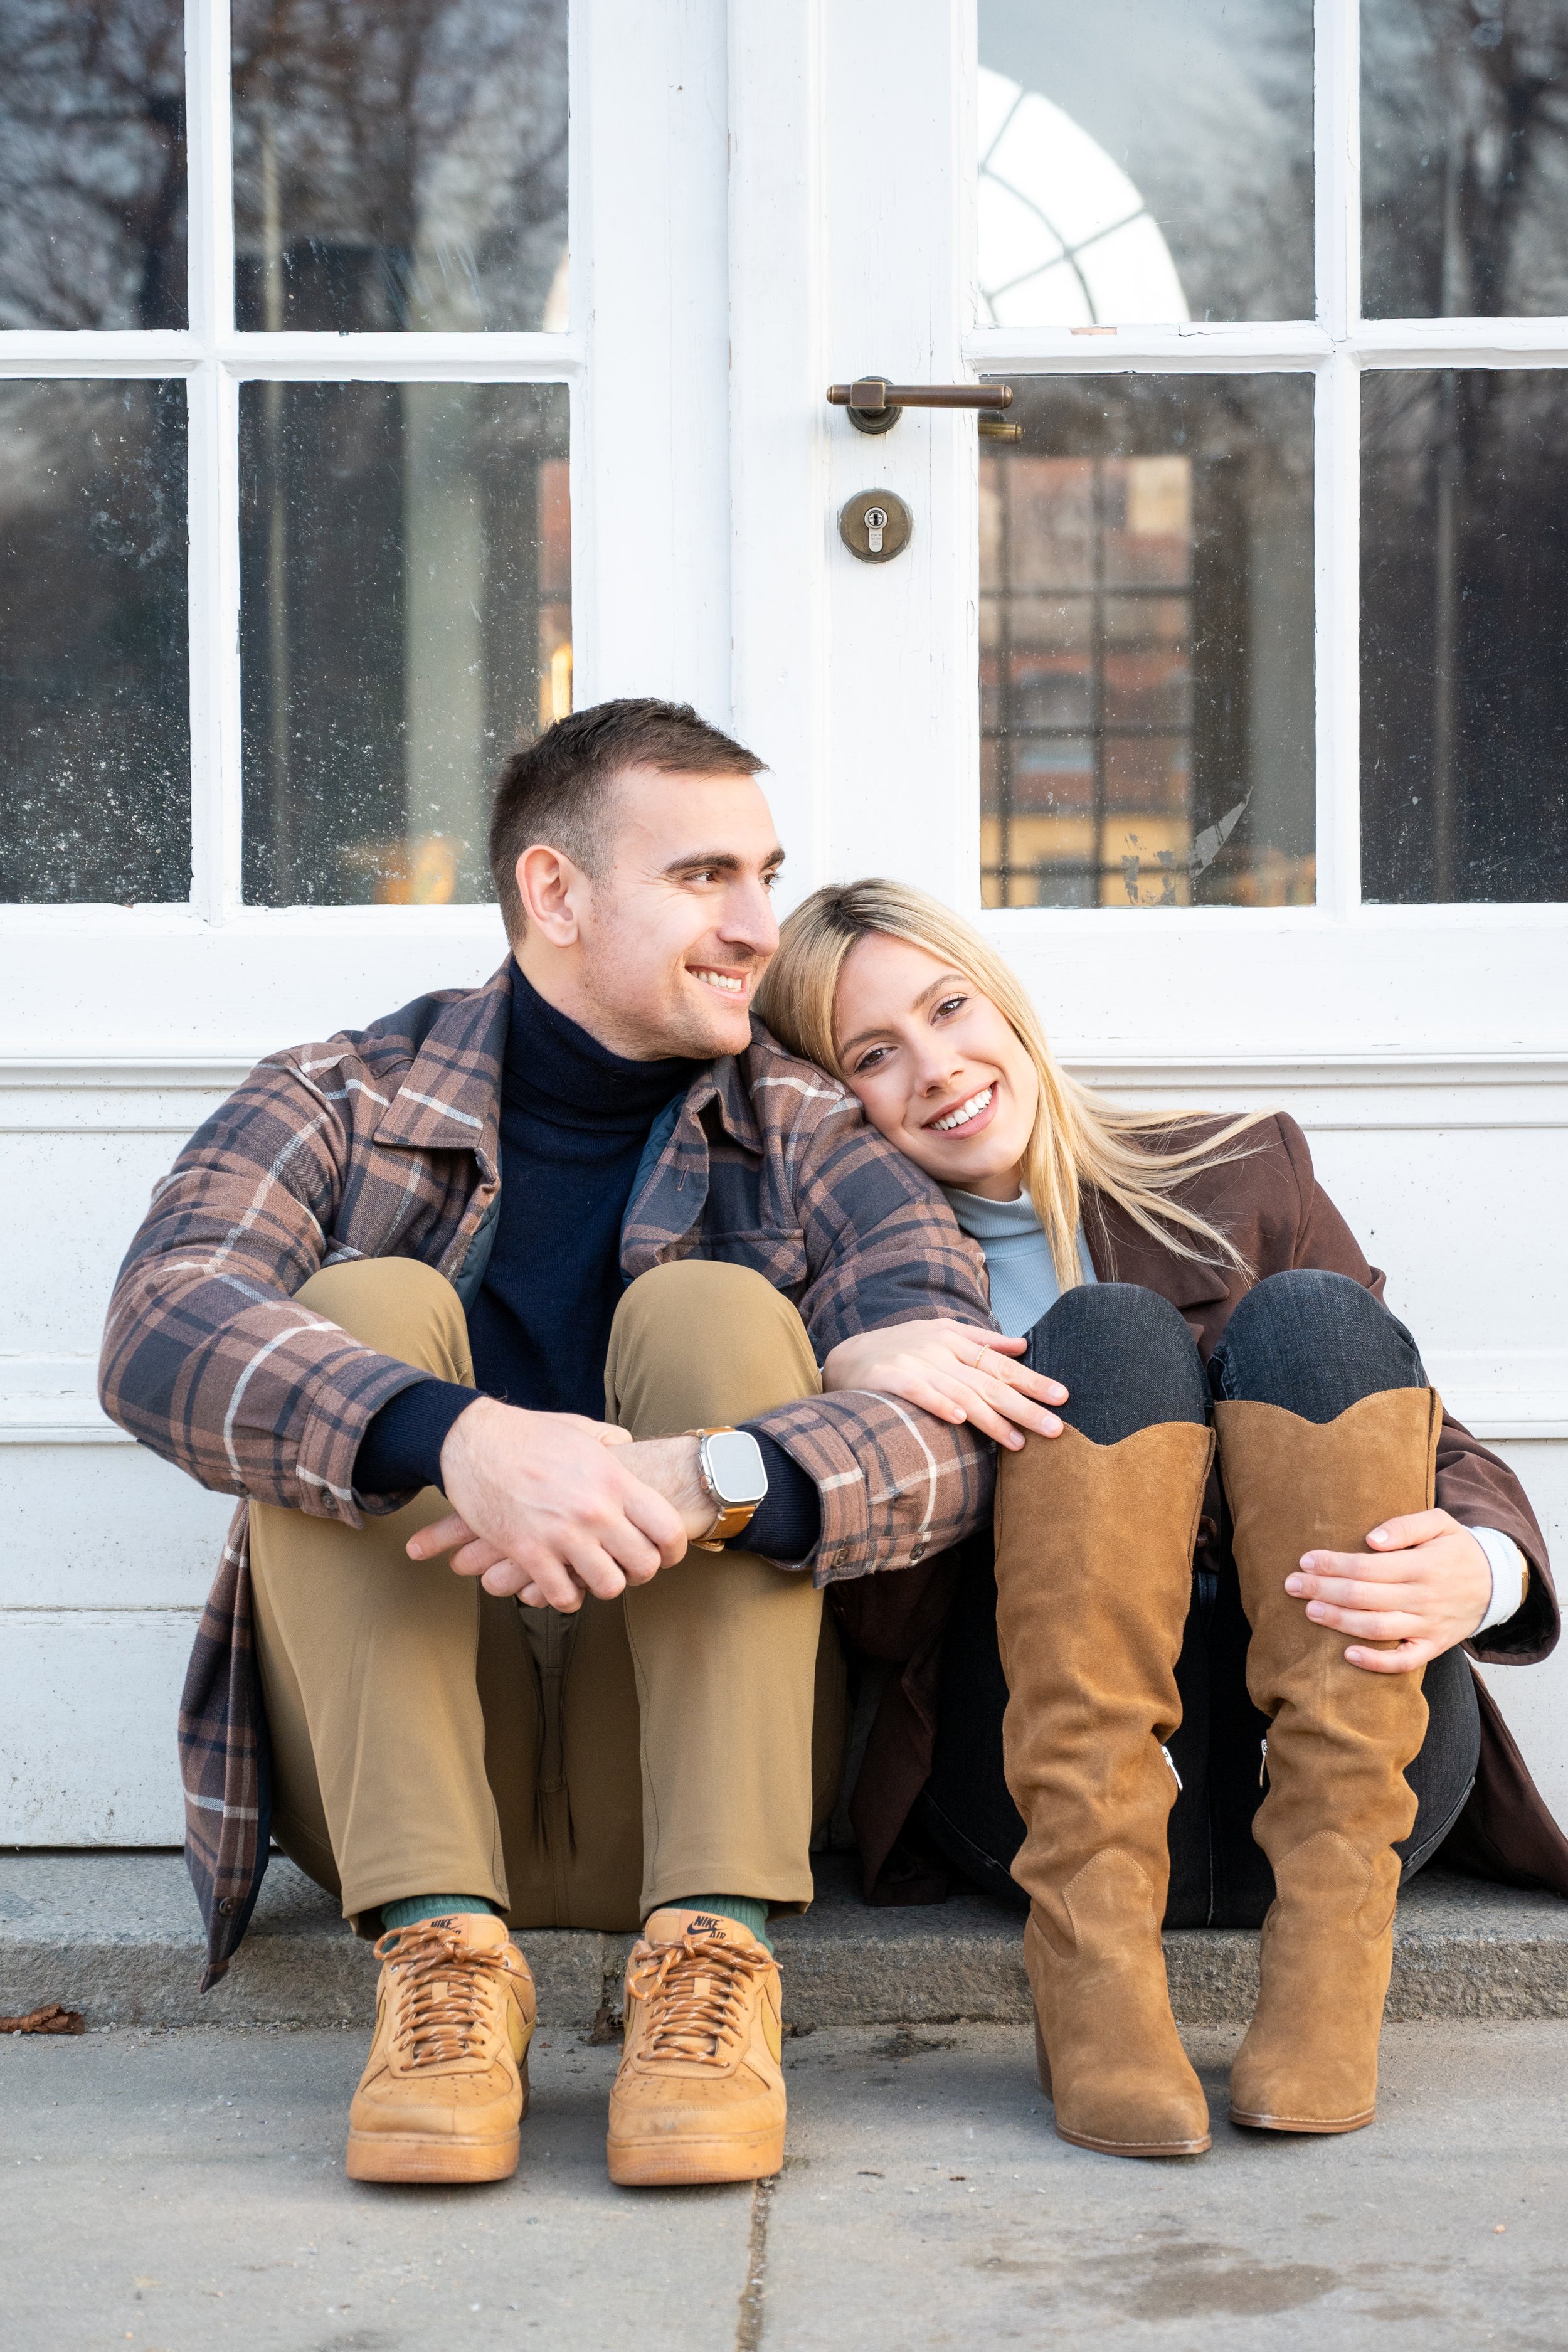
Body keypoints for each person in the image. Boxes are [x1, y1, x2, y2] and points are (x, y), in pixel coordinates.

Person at [98, 706, 996, 2191]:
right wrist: (454, 1440)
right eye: (705, 877)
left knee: (712, 1312)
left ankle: (712, 1972)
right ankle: (443, 1972)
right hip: (396, 1779)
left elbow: (953, 1437)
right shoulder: (339, 1097)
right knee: (358, 1310)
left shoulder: (813, 1131)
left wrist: (698, 1478)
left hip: (701, 1777)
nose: (760, 928)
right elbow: (160, 1325)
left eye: (765, 876)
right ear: (555, 893)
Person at [754, 877, 1563, 2159]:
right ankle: (1091, 1985)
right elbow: (870, 1616)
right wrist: (852, 1372)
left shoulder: (1241, 1172)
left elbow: (1433, 1441)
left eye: (949, 1007)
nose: (936, 1068)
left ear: (1003, 1005)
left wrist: (1481, 1572)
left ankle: (1330, 1973)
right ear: (821, 1098)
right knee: (1109, 1342)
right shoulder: (839, 1285)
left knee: (1309, 1318)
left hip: (1321, 1754)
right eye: (870, 1054)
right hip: (1038, 1787)